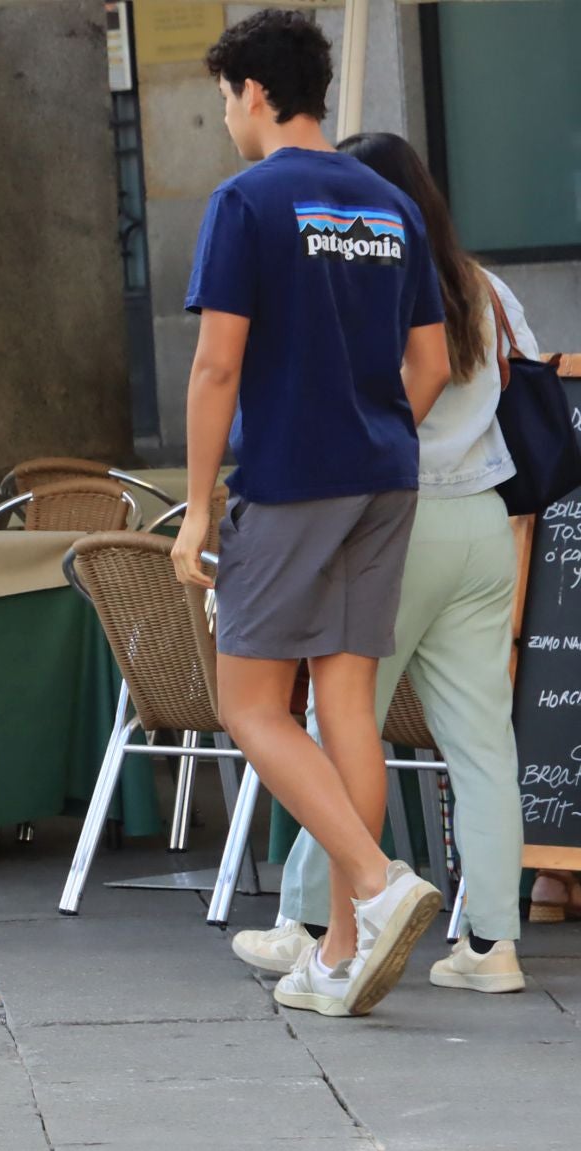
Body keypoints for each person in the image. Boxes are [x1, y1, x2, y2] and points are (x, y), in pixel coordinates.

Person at [171, 11, 452, 1018]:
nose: (228, 121)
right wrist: (370, 428)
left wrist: (196, 508)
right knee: (344, 705)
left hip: (291, 481)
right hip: (387, 474)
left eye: (223, 102)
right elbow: (431, 362)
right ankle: (339, 950)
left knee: (250, 705)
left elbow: (216, 364)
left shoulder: (247, 200)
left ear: (252, 91)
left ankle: (376, 886)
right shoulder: (388, 203)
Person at [232, 132, 535, 994]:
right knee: (482, 743)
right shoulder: (487, 286)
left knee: (339, 722)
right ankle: (493, 946)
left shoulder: (361, 277)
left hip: (395, 515)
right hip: (484, 517)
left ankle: (312, 923)